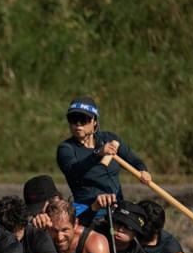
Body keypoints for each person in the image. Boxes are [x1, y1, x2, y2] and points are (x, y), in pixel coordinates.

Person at [56, 96, 152, 224]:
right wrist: (98, 154)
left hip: (117, 207)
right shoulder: (66, 149)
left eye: (83, 119)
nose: (78, 124)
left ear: (94, 121)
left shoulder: (109, 139)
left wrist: (143, 170)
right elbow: (73, 171)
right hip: (88, 210)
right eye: (73, 119)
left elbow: (135, 161)